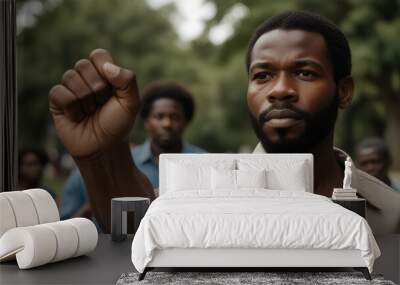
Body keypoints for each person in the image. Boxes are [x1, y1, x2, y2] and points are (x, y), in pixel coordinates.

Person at [48, 11, 400, 234]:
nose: (280, 91)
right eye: (262, 75)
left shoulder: (392, 214)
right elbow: (139, 232)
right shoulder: (207, 189)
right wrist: (100, 158)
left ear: (344, 91)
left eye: (304, 72)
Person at [59, 80, 205, 220]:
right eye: (159, 117)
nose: (167, 123)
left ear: (186, 122)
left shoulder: (205, 165)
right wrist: (99, 202)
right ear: (147, 122)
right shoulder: (116, 165)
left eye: (175, 117)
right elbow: (65, 225)